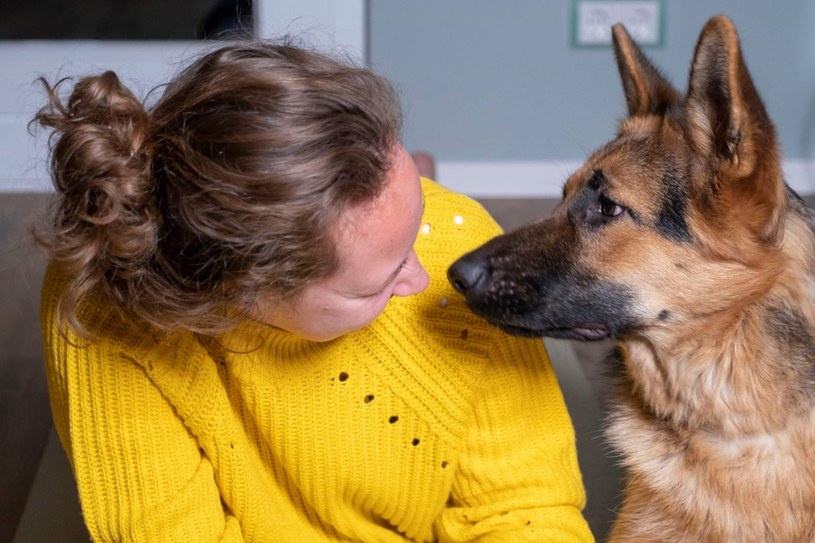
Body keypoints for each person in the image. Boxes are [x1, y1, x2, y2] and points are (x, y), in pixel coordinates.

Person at [33, 40, 594, 542]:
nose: (424, 280)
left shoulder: (459, 248)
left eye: (415, 204)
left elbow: (527, 508)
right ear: (244, 290)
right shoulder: (101, 307)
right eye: (379, 279)